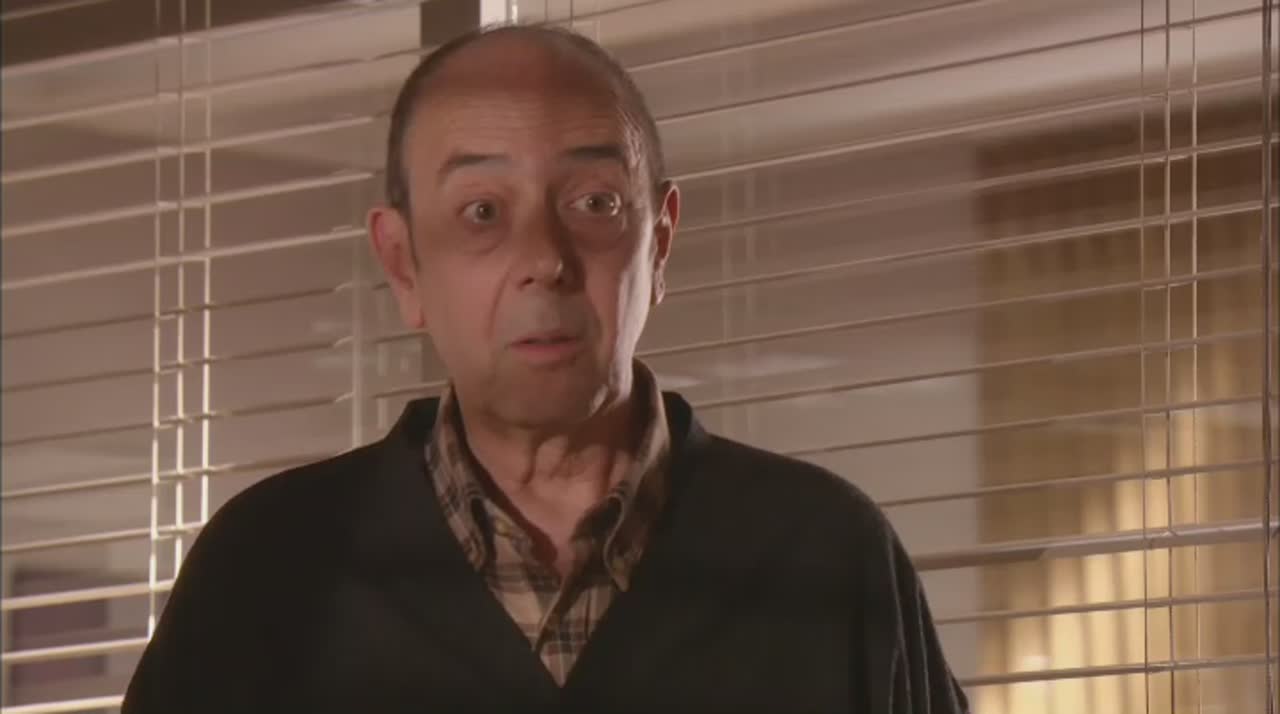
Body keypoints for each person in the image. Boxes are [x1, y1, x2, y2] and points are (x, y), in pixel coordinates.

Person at [123, 24, 969, 714]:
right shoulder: (271, 571)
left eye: (594, 203)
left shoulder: (826, 557)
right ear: (403, 264)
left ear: (659, 242)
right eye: (482, 212)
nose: (544, 259)